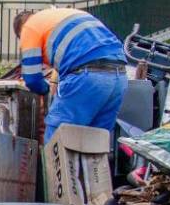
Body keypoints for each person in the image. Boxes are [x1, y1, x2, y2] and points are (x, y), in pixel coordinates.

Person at [13, 9, 128, 143]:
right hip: (119, 77)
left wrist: (46, 91)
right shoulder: (63, 15)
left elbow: (32, 78)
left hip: (87, 77)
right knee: (95, 144)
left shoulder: (29, 28)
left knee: (57, 138)